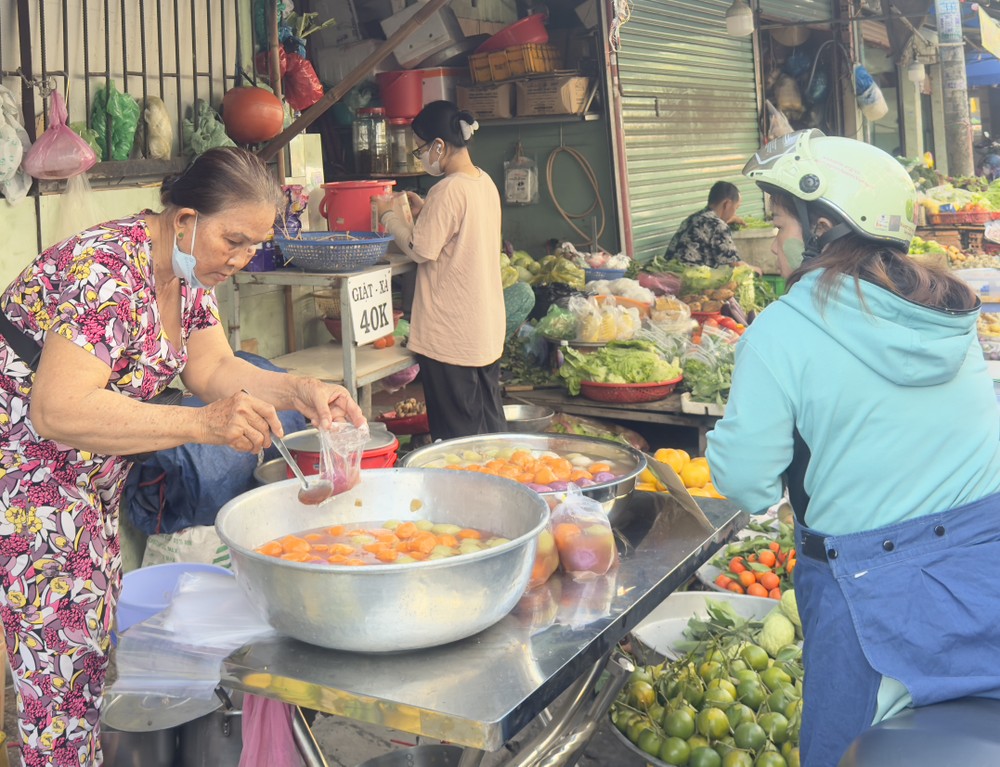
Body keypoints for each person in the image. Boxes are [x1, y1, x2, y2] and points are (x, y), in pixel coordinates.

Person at [0, 146, 365, 766]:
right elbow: (56, 411)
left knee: (85, 658)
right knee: (59, 684)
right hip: (27, 485)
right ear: (187, 218)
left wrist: (302, 390)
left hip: (83, 482)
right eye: (235, 240)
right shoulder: (108, 268)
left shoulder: (187, 273)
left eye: (256, 245)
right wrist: (202, 426)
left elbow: (215, 367)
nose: (243, 258)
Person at [706, 129, 1000, 766]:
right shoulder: (947, 316)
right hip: (985, 573)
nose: (772, 234)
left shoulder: (782, 331)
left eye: (780, 218)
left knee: (848, 752)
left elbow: (746, 482)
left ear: (824, 225)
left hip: (863, 587)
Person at [375, 100, 506, 440]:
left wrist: (389, 217)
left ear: (439, 146)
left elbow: (422, 249)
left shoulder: (447, 189)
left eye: (420, 149)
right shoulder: (483, 182)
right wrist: (426, 209)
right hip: (483, 331)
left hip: (452, 336)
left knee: (458, 439)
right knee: (489, 431)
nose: (421, 157)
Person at [664, 180, 745, 267]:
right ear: (727, 204)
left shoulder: (693, 218)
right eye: (736, 208)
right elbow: (734, 263)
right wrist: (757, 270)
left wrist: (728, 219)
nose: (734, 213)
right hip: (689, 278)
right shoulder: (718, 225)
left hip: (669, 272)